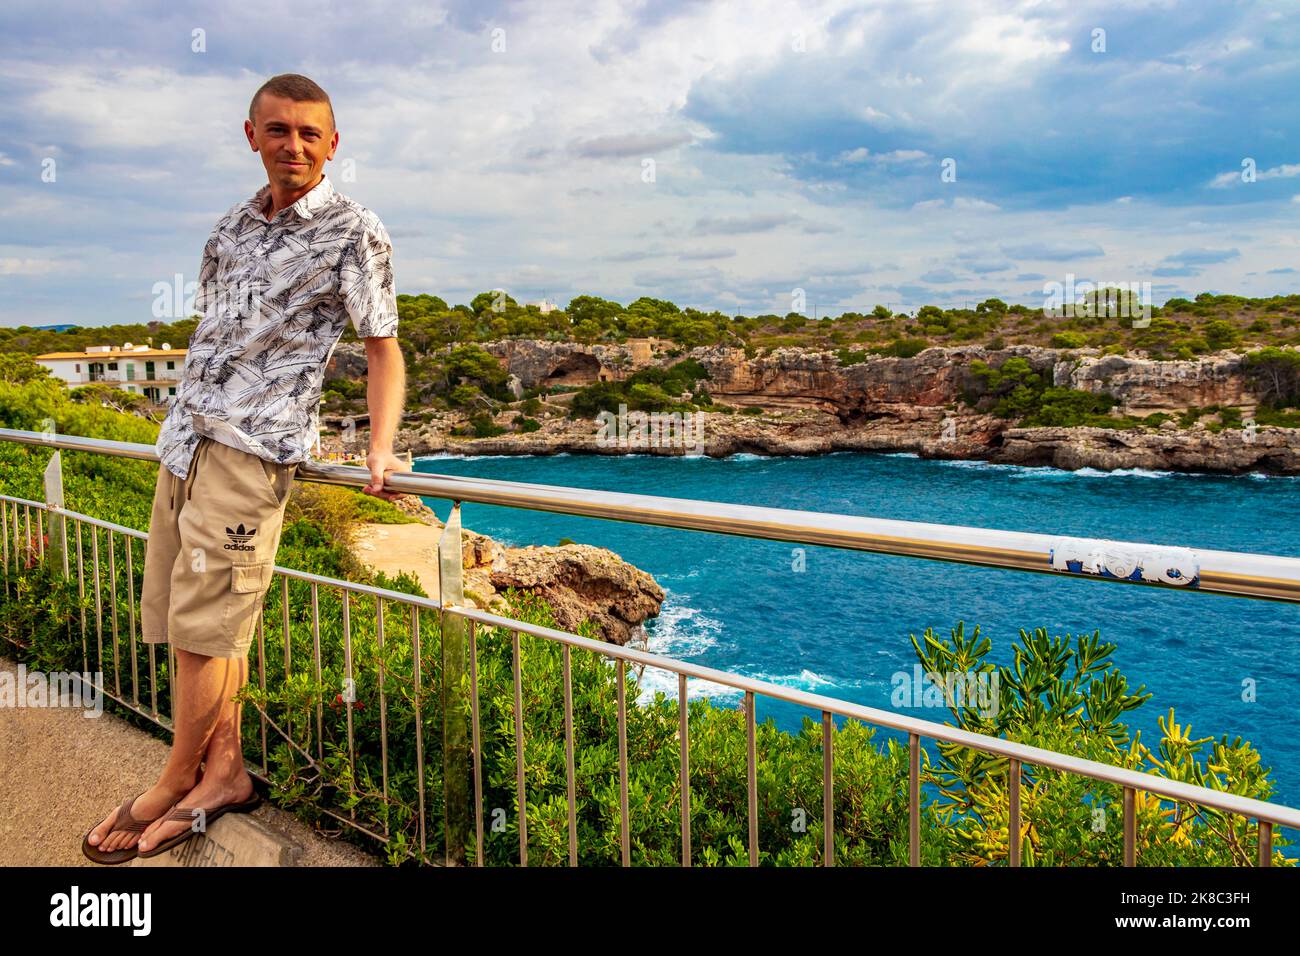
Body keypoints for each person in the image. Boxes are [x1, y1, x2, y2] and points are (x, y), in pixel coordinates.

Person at [83, 73, 406, 863]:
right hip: (184, 443)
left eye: (308, 133)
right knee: (195, 629)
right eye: (277, 130)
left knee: (208, 629)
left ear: (334, 144)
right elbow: (215, 333)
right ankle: (223, 773)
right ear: (250, 135)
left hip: (252, 454)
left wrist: (379, 444)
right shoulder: (229, 227)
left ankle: (170, 782)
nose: (292, 145)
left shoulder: (354, 230)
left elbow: (382, 348)